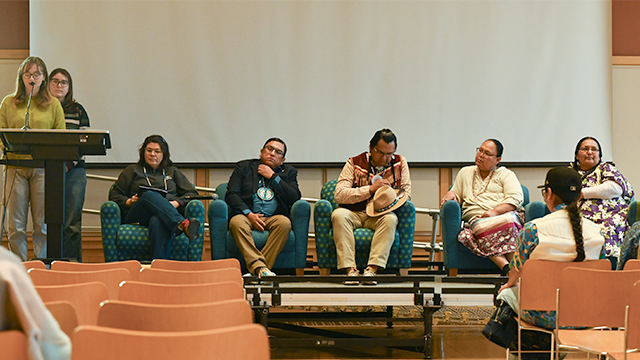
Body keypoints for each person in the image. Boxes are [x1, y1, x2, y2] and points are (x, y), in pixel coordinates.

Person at [497, 167, 604, 334]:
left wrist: (508, 285)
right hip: (585, 314)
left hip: (539, 314)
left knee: (505, 295)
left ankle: (526, 352)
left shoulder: (533, 229)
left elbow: (517, 269)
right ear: (579, 196)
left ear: (548, 193)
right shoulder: (597, 232)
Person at [0, 56, 65, 261]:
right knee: (16, 224)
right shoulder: (9, 103)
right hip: (15, 166)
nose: (32, 78)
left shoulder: (53, 104)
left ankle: (41, 265)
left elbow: (60, 135)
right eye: (28, 74)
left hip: (43, 169)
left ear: (44, 77)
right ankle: (18, 265)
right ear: (22, 77)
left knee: (42, 223)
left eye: (36, 74)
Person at [332, 128, 411, 285]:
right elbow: (339, 194)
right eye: (381, 153)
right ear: (371, 148)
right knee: (338, 215)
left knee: (390, 219)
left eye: (390, 154)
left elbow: (406, 193)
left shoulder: (400, 163)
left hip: (380, 214)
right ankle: (350, 270)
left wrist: (388, 196)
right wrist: (369, 190)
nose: (385, 158)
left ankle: (372, 270)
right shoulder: (354, 162)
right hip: (353, 212)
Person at [109, 135, 200, 259]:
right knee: (149, 195)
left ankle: (158, 266)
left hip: (164, 215)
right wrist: (129, 201)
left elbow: (192, 193)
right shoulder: (132, 170)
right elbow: (114, 195)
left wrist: (176, 203)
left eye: (157, 151)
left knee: (158, 220)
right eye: (149, 150)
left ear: (164, 154)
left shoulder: (172, 171)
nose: (152, 154)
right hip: (138, 213)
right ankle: (182, 224)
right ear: (143, 152)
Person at [440, 139, 523, 275]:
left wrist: (494, 212)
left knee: (509, 222)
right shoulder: (465, 172)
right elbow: (457, 193)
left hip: (503, 215)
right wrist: (451, 193)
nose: (481, 155)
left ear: (497, 159)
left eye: (487, 153)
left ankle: (513, 271)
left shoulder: (506, 174)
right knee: (480, 227)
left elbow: (516, 198)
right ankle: (509, 269)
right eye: (480, 150)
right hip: (477, 219)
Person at [226, 137, 301, 278]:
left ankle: (257, 269)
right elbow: (232, 194)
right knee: (236, 222)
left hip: (273, 218)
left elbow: (294, 197)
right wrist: (249, 214)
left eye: (278, 152)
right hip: (247, 216)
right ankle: (262, 270)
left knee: (284, 223)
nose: (272, 153)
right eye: (269, 149)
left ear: (283, 160)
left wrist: (273, 177)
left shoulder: (289, 172)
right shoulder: (244, 167)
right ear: (261, 152)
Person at [570, 136, 634, 269]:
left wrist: (582, 193)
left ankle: (611, 268)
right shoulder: (569, 174)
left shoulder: (605, 168)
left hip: (612, 216)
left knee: (609, 226)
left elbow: (614, 188)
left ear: (599, 155)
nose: (590, 152)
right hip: (581, 217)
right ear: (576, 155)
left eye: (594, 149)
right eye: (585, 149)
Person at [49, 68, 90, 262]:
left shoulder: (78, 110)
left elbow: (86, 141)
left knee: (72, 221)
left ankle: (73, 265)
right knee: (49, 221)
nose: (59, 85)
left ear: (69, 87)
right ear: (48, 84)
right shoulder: (42, 108)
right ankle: (49, 264)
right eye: (55, 81)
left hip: (74, 171)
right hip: (47, 170)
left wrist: (67, 164)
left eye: (63, 82)